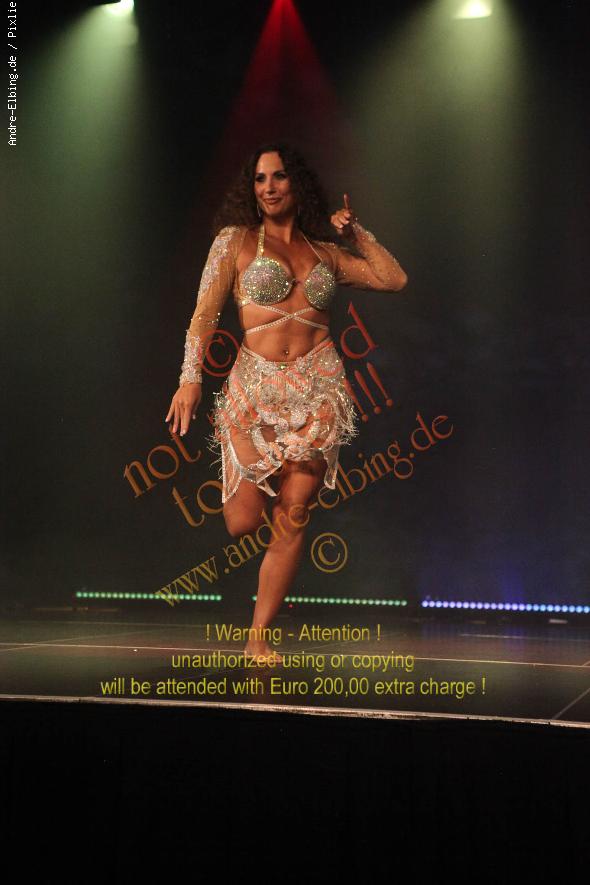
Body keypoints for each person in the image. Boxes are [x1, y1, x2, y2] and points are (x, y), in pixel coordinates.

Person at [165, 142, 408, 663]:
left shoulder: (325, 253)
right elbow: (204, 316)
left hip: (318, 390)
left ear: (296, 183)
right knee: (243, 522)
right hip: (254, 391)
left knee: (293, 514)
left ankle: (258, 636)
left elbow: (394, 278)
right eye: (259, 179)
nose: (269, 187)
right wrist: (190, 379)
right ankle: (256, 609)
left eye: (278, 177)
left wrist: (356, 234)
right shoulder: (234, 242)